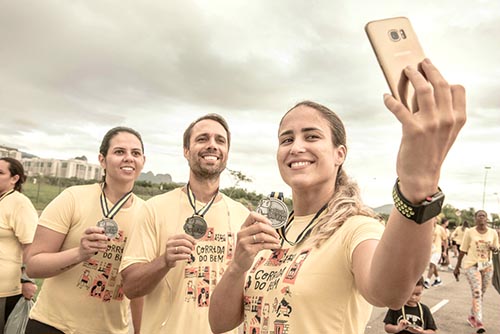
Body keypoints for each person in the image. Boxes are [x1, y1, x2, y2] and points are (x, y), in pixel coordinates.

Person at [208, 59, 466, 333]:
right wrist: (238, 265)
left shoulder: (356, 227)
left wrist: (417, 188)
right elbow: (220, 323)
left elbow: (388, 293)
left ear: (339, 154)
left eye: (311, 137)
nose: (296, 147)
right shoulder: (272, 228)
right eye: (286, 139)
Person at [120, 114, 250, 333]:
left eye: (220, 140)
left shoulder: (242, 215)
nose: (212, 145)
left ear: (227, 153)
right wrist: (164, 261)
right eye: (202, 139)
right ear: (186, 150)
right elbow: (130, 287)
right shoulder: (154, 209)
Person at [24, 126, 146, 334]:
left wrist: (140, 330)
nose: (128, 158)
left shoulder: (147, 214)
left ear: (143, 161)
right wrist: (79, 253)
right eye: (119, 152)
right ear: (102, 159)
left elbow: (138, 284)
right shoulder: (73, 198)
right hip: (53, 326)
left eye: (135, 153)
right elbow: (33, 266)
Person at [0, 157, 38, 334]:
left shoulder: (20, 204)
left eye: (0, 173)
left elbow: (31, 245)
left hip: (5, 291)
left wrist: (27, 280)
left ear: (14, 179)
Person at [454, 210, 499, 333]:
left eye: (484, 216)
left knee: (480, 294)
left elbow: (496, 249)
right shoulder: (470, 232)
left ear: (486, 219)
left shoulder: (493, 233)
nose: (481, 218)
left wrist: (494, 248)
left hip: (487, 266)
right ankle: (479, 322)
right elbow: (463, 250)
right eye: (479, 216)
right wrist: (457, 267)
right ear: (475, 219)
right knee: (477, 292)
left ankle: (472, 315)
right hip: (472, 266)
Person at [424, 219, 448, 288]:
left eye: (434, 219)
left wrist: (445, 251)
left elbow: (445, 240)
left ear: (436, 220)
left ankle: (427, 281)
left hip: (437, 250)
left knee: (432, 264)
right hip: (429, 250)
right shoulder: (427, 228)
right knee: (433, 266)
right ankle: (438, 280)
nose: (432, 220)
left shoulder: (440, 229)